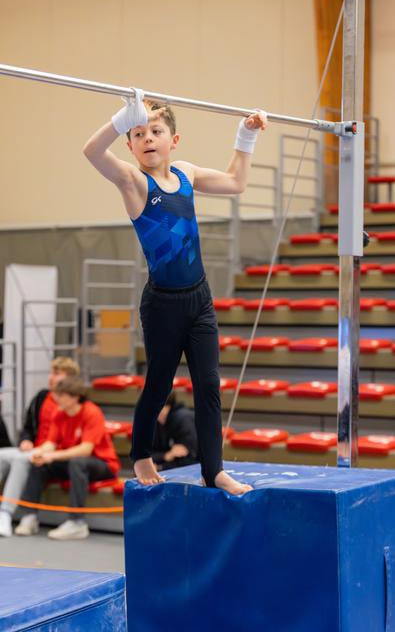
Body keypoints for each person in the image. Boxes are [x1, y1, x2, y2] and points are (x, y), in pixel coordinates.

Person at [83, 89, 267, 495]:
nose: (148, 138)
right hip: (162, 304)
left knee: (209, 384)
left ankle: (213, 470)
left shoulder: (185, 173)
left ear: (173, 140)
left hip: (199, 299)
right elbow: (91, 152)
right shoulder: (132, 181)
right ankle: (141, 454)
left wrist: (245, 134)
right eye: (138, 133)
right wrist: (121, 117)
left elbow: (236, 182)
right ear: (129, 145)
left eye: (156, 130)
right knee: (159, 384)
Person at [0, 357, 79, 537]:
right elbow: (28, 428)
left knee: (20, 459)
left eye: (56, 374)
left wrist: (45, 451)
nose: (51, 377)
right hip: (33, 448)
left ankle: (5, 513)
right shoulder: (41, 397)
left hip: (51, 453)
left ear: (70, 378)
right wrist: (25, 440)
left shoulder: (72, 403)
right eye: (51, 372)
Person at [15, 376, 121, 541]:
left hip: (103, 464)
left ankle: (76, 521)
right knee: (39, 464)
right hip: (72, 462)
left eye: (62, 395)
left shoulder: (91, 412)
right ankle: (30, 516)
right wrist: (40, 452)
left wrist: (52, 456)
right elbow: (50, 443)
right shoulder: (59, 413)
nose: (57, 399)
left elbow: (85, 450)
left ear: (75, 396)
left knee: (77, 463)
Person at [152, 391, 198, 470]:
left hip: (190, 473)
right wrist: (165, 456)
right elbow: (145, 455)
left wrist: (160, 468)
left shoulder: (184, 420)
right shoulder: (155, 421)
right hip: (166, 469)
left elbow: (191, 460)